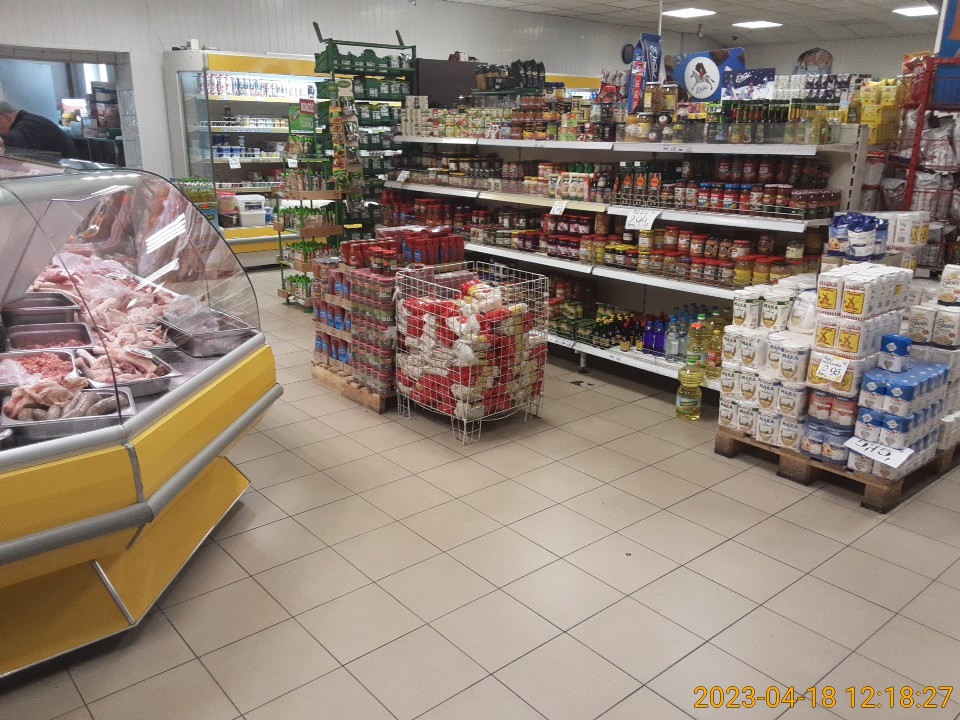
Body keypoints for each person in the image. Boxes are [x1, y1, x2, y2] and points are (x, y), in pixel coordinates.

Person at [0, 100, 78, 158]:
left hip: (68, 170)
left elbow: (17, 138)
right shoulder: (28, 120)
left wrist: (3, 139)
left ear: (6, 117)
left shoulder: (31, 123)